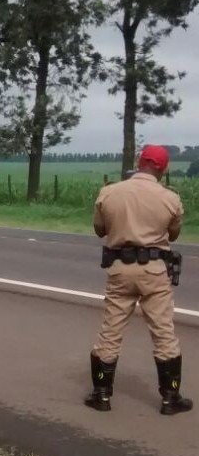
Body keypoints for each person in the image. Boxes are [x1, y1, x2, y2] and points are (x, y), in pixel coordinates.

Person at [86, 145, 192, 415]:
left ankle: (101, 395)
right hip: (155, 271)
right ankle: (170, 398)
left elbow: (100, 230)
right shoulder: (170, 198)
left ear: (138, 162)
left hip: (120, 268)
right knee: (163, 332)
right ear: (163, 168)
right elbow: (174, 234)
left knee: (110, 331)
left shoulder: (109, 192)